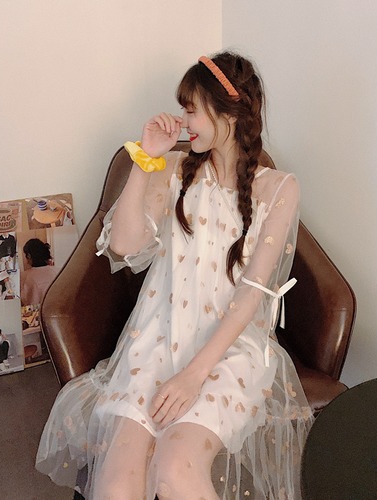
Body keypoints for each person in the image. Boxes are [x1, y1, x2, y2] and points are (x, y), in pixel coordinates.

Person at [36, 51, 313, 499]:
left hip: (229, 350)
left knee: (174, 470)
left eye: (191, 109)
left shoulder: (279, 188)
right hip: (156, 340)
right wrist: (146, 160)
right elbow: (124, 246)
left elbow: (251, 295)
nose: (183, 121)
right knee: (116, 484)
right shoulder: (174, 172)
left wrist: (193, 375)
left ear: (228, 112)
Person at [20, 238, 59, 306]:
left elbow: (22, 300)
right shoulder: (58, 271)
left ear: (29, 256)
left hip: (34, 312)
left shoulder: (24, 276)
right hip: (58, 309)